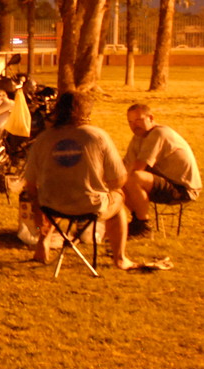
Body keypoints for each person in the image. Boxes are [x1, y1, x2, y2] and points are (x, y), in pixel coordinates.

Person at [23, 90, 135, 270]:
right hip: (89, 205)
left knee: (59, 193)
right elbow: (118, 180)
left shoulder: (43, 138)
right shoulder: (97, 136)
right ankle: (120, 258)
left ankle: (42, 246)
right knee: (118, 199)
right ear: (86, 111)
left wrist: (37, 207)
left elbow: (29, 183)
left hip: (50, 205)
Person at [122, 103, 201, 237]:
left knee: (134, 177)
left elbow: (138, 168)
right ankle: (137, 221)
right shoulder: (138, 137)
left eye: (138, 120)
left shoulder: (158, 134)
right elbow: (124, 166)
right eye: (130, 122)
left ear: (151, 118)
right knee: (119, 181)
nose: (134, 125)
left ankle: (143, 225)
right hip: (164, 181)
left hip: (182, 189)